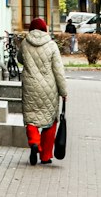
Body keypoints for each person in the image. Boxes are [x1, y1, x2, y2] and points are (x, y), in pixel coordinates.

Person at [19, 16, 68, 166]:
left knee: (31, 119)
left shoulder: (24, 43)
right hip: (49, 88)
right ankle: (45, 156)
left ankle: (34, 143)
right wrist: (64, 92)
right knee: (50, 122)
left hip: (30, 87)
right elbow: (58, 70)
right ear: (44, 29)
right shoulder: (52, 45)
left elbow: (19, 58)